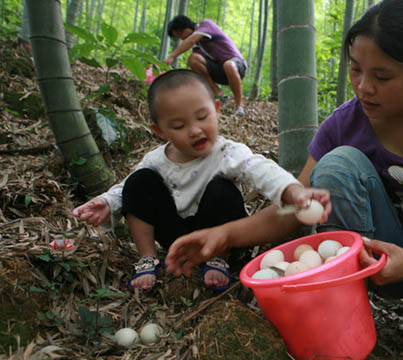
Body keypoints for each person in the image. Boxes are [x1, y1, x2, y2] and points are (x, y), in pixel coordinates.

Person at [165, 1, 403, 359]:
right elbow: (297, 208)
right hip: (375, 257)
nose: (363, 87)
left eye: (382, 77)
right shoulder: (345, 123)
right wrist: (224, 234)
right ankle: (351, 307)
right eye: (356, 70)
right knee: (335, 166)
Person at [72, 69, 330, 291]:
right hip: (176, 234)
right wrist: (107, 202)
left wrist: (294, 191)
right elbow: (127, 189)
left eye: (202, 117)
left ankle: (218, 258)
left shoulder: (227, 152)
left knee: (222, 189)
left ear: (216, 110)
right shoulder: (156, 159)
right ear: (160, 130)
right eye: (179, 125)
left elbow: (262, 171)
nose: (195, 130)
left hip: (219, 232)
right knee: (139, 182)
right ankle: (148, 258)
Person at [163, 15, 247, 116]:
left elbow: (191, 40)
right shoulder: (197, 46)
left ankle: (239, 105)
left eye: (180, 33)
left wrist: (172, 56)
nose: (181, 38)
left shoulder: (206, 25)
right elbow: (197, 69)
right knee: (193, 59)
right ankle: (217, 92)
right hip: (219, 72)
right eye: (178, 37)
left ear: (187, 27)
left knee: (228, 65)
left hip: (237, 66)